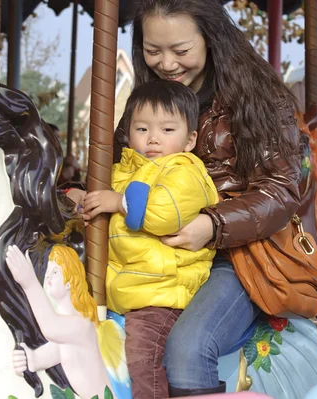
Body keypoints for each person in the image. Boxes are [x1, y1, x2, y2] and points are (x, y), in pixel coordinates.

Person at [108, 0, 307, 396]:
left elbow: (282, 189)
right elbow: (120, 166)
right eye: (152, 51)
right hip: (155, 253)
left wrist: (212, 225)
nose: (166, 63)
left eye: (180, 51)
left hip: (236, 255)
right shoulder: (150, 101)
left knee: (188, 348)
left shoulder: (260, 97)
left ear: (211, 39)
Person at [72, 80, 219, 398]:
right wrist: (84, 203)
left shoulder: (185, 171)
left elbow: (163, 212)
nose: (153, 138)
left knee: (143, 357)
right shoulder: (121, 172)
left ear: (190, 139)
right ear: (127, 134)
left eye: (167, 130)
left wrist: (118, 202)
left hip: (161, 295)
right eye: (142, 129)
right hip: (125, 292)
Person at [7, 245, 114, 399]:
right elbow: (39, 358)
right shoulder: (65, 339)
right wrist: (24, 360)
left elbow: (51, 327)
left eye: (55, 272)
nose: (48, 277)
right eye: (48, 272)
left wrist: (29, 283)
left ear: (70, 281)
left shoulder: (82, 325)